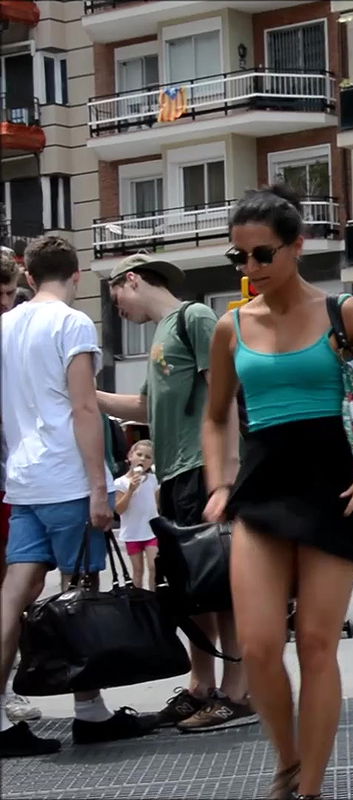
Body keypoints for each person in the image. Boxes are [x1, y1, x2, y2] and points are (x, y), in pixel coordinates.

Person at [201, 184, 353, 800]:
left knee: (317, 644)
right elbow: (216, 415)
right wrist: (218, 482)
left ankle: (310, 788)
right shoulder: (230, 327)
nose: (250, 267)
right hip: (263, 491)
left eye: (262, 254)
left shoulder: (344, 312)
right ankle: (287, 762)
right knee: (257, 646)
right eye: (239, 256)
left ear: (297, 246)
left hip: (335, 491)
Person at [1, 236, 153, 758]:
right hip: (67, 477)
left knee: (12, 595)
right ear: (77, 275)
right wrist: (98, 488)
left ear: (27, 275)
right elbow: (85, 408)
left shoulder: (5, 326)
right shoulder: (72, 323)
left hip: (24, 479)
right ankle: (90, 711)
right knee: (81, 590)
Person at [98, 252, 254, 733]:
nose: (119, 310)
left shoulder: (195, 317)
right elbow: (145, 405)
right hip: (175, 475)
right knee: (192, 589)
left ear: (132, 280)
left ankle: (237, 692)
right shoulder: (163, 334)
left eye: (116, 298)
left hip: (203, 469)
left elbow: (223, 395)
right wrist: (87, 396)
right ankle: (201, 686)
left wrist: (224, 477)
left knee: (222, 584)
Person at [0, 247, 42, 728]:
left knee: (18, 583)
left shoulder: (17, 331)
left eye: (9, 292)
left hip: (15, 476)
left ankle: (7, 688)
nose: (4, 302)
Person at [114, 440, 160, 590]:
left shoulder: (153, 480)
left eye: (148, 457)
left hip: (151, 531)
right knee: (138, 570)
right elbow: (119, 509)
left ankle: (153, 596)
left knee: (154, 566)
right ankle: (138, 599)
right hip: (132, 533)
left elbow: (157, 503)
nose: (142, 459)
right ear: (130, 456)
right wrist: (131, 490)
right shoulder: (120, 482)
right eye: (139, 454)